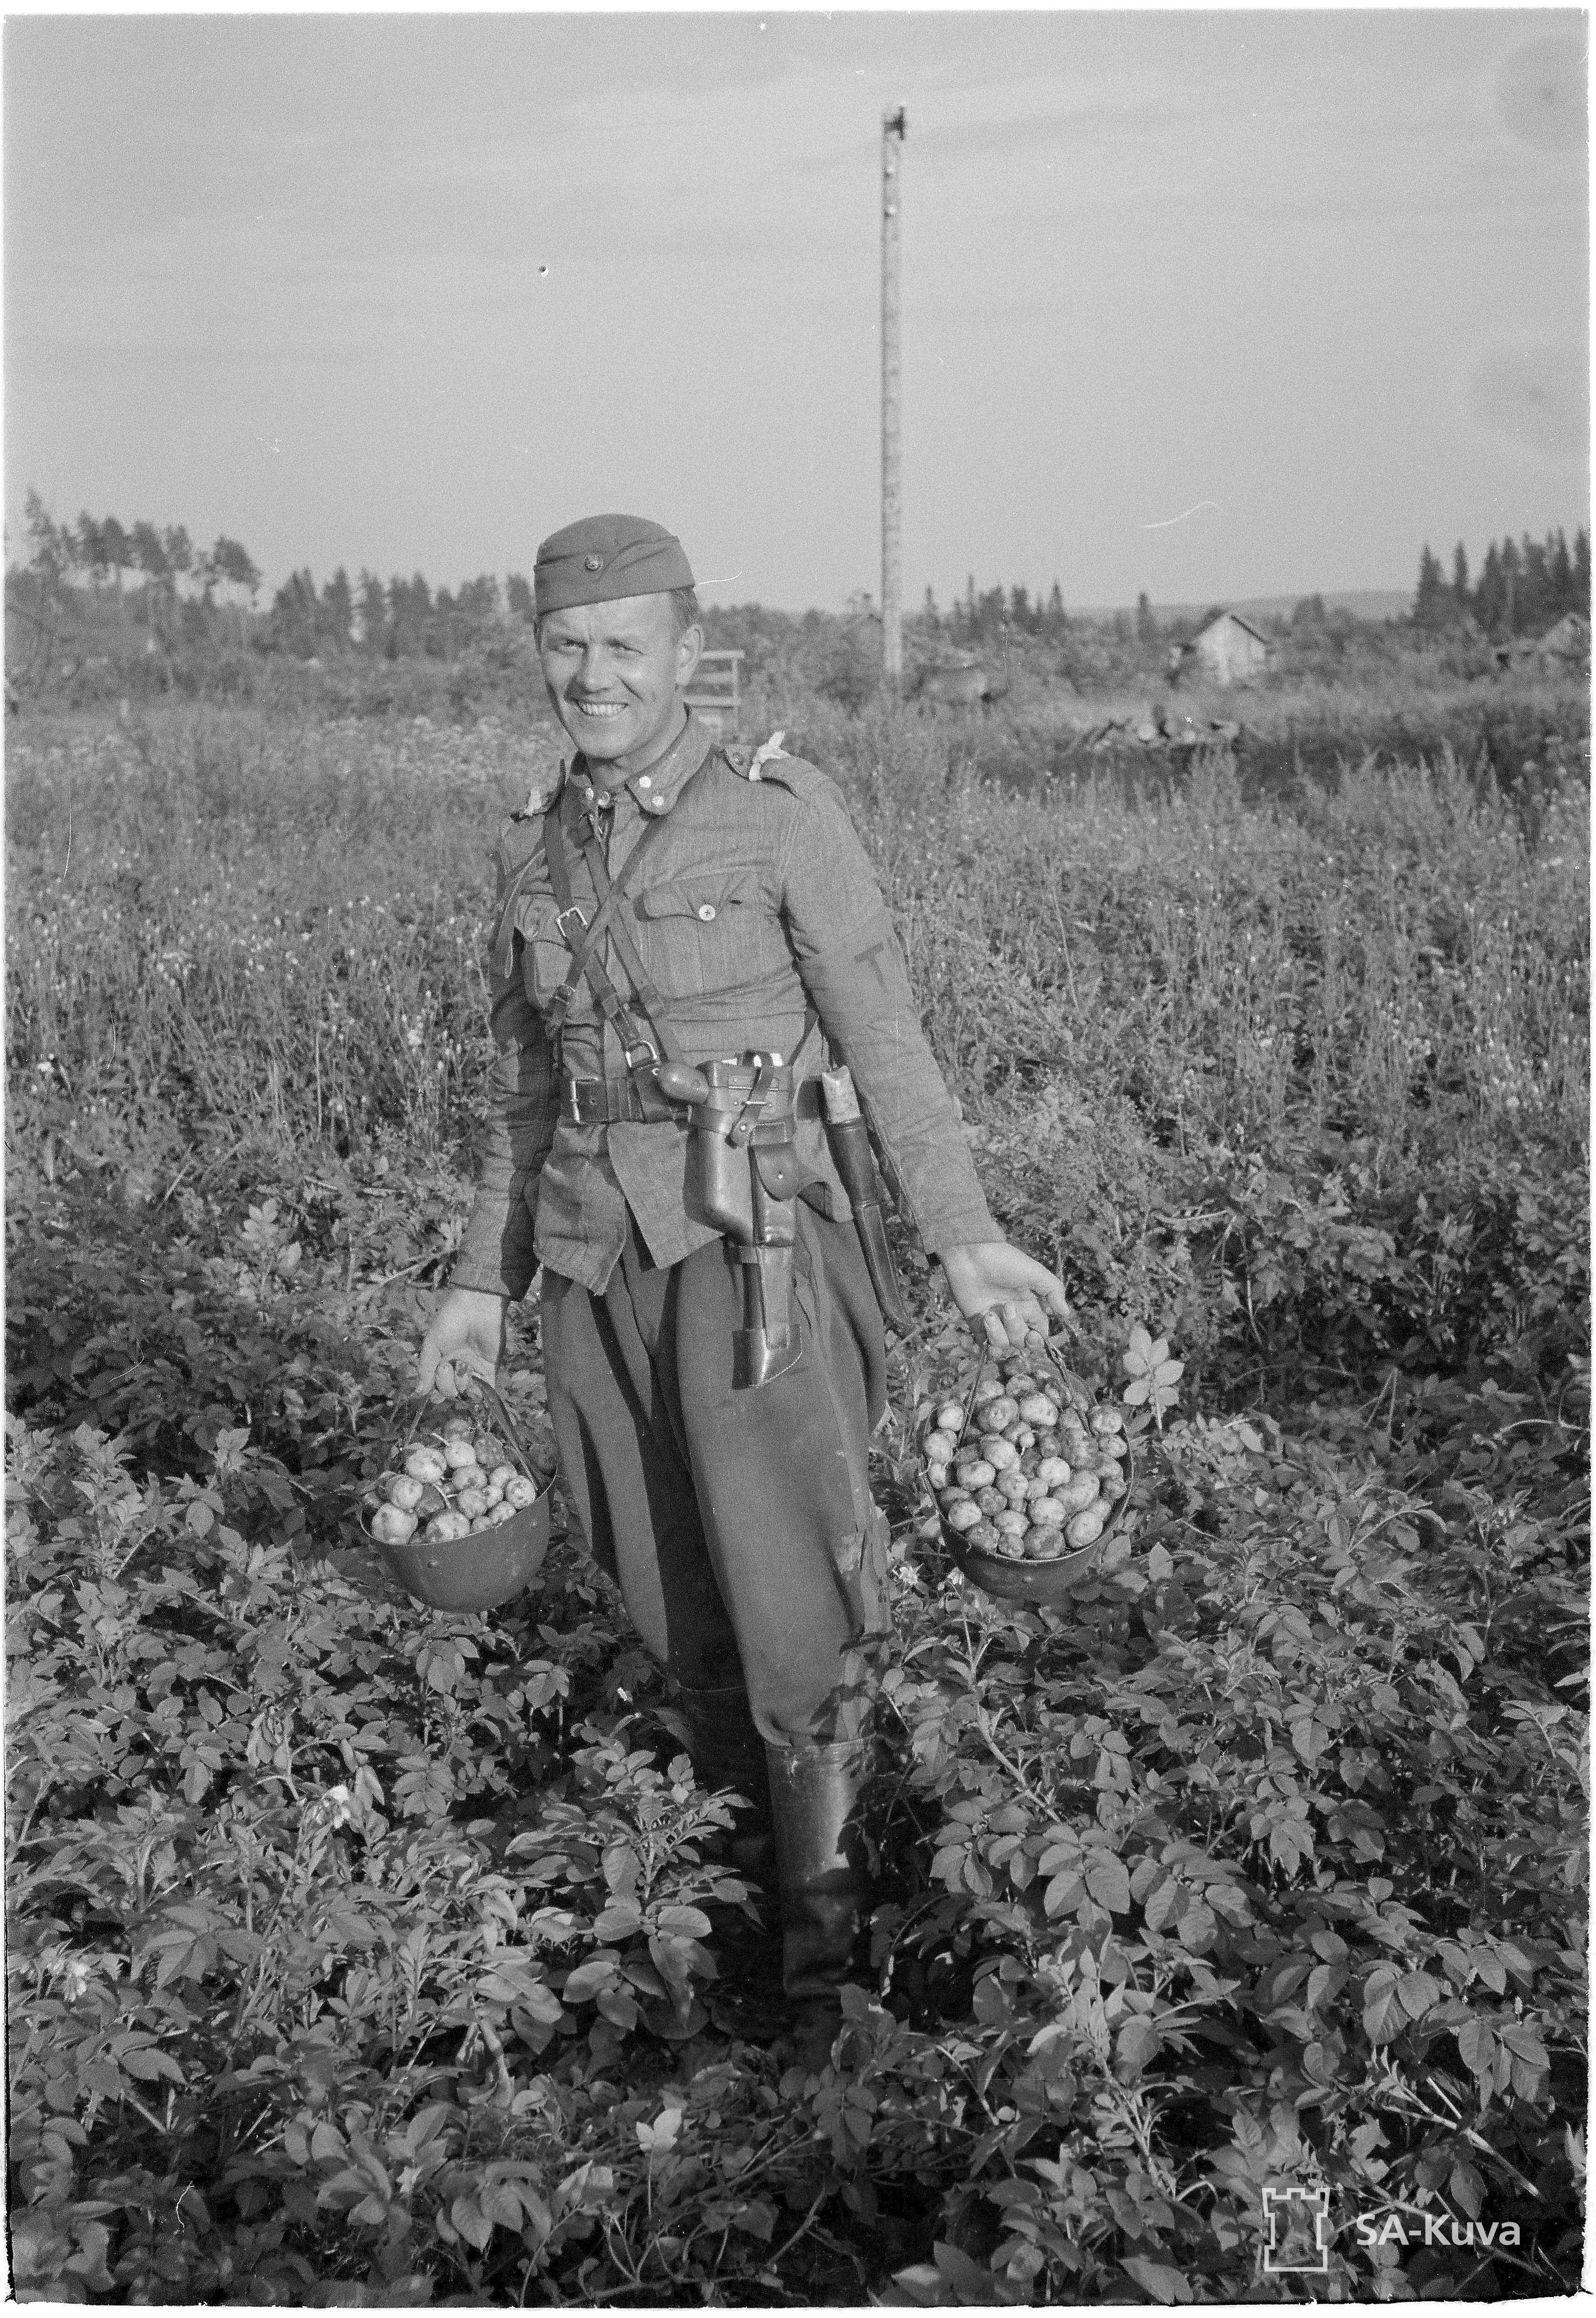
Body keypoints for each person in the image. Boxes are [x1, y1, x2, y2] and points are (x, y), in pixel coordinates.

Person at [419, 513, 1068, 2068]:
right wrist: (473, 1282)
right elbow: (525, 1093)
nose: (593, 677)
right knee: (670, 1603)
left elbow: (887, 1039)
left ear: (687, 653)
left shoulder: (780, 815)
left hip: (753, 1251)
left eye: (622, 649)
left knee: (796, 1617)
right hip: (592, 1264)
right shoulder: (528, 845)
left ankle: (826, 1957)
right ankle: (735, 1905)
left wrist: (964, 1233)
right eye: (567, 649)